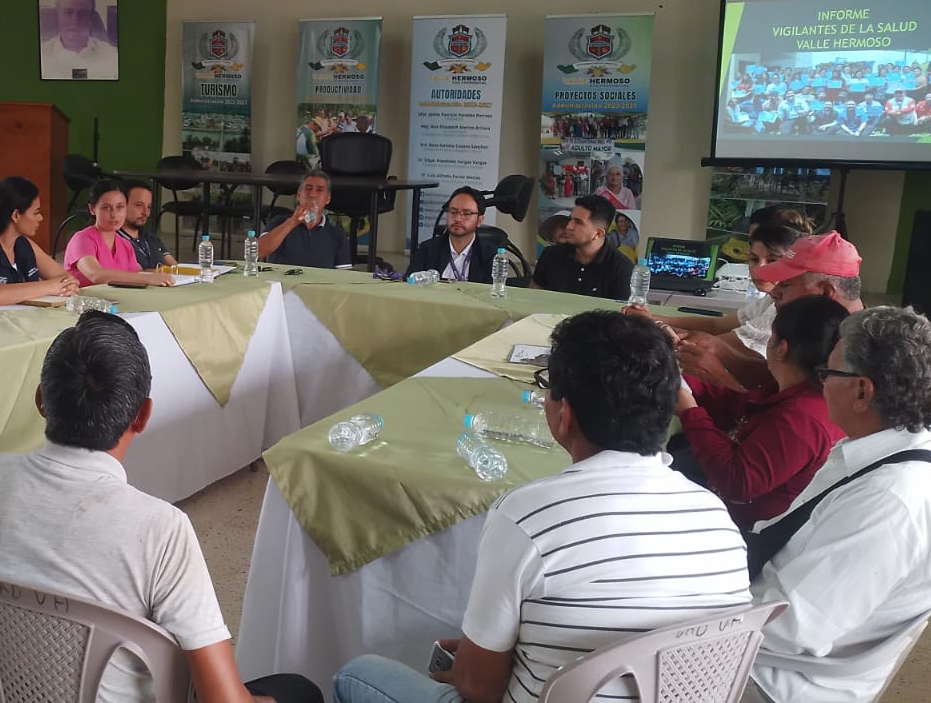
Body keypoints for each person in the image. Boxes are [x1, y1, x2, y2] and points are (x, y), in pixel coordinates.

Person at [333, 311, 751, 703]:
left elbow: (479, 689)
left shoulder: (527, 514)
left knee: (357, 674)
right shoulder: (716, 516)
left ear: (563, 413)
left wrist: (476, 665)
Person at [0, 311, 323, 703]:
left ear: (41, 400)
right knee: (298, 689)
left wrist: (32, 671)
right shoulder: (161, 528)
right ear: (143, 415)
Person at [745, 307, 931, 703]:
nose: (820, 384)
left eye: (827, 373)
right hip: (774, 624)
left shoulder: (891, 501)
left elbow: (788, 628)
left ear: (862, 391)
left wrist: (688, 598)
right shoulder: (908, 447)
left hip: (772, 678)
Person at [676, 296, 849, 530]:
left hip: (747, 533)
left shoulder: (803, 419)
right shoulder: (797, 389)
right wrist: (681, 383)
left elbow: (736, 482)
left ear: (782, 348)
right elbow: (740, 410)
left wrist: (690, 412)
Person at [680, 232, 865, 393]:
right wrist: (718, 349)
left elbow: (789, 417)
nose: (773, 292)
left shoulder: (856, 357)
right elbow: (777, 378)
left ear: (825, 292)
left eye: (785, 285)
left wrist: (721, 380)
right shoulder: (820, 327)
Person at [628, 207, 811, 357]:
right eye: (754, 259)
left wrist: (653, 324)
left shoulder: (787, 306)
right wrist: (650, 318)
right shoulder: (771, 299)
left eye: (772, 260)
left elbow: (714, 344)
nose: (759, 268)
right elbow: (715, 326)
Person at [0, 176, 78, 306]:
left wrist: (65, 285)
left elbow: (66, 278)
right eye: (36, 212)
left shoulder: (25, 244)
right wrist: (50, 287)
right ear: (16, 215)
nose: (40, 218)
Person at [64, 180, 177, 287]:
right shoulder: (82, 239)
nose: (114, 215)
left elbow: (136, 274)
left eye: (120, 207)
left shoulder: (125, 244)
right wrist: (148, 278)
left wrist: (162, 275)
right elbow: (96, 275)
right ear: (92, 209)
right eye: (106, 208)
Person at [530, 195, 634, 300]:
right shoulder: (551, 255)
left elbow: (620, 309)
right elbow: (533, 295)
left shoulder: (621, 268)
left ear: (598, 233)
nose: (569, 226)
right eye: (570, 219)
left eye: (578, 222)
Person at [258, 170, 353, 269]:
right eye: (308, 189)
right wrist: (292, 222)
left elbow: (344, 275)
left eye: (319, 190)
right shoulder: (278, 222)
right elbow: (259, 252)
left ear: (328, 199)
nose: (312, 195)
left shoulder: (337, 235)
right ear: (299, 195)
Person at [406, 186, 497, 283]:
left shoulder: (489, 255)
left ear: (479, 220)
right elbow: (409, 284)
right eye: (453, 212)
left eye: (466, 213)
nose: (457, 219)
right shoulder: (428, 249)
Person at [40, 0, 117, 80]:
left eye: (82, 14)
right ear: (58, 16)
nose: (75, 20)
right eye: (68, 12)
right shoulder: (42, 55)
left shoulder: (112, 55)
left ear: (91, 19)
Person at [119, 179, 177, 270]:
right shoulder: (113, 241)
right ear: (120, 206)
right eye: (139, 205)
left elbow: (176, 268)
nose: (146, 212)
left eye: (149, 207)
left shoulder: (151, 238)